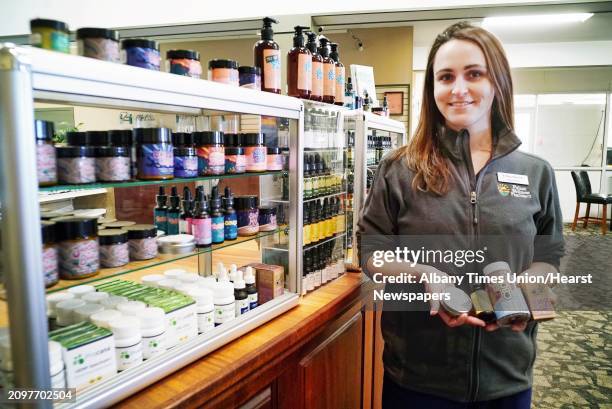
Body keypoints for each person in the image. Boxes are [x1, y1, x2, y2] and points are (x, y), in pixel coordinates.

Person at [358, 22, 564, 408]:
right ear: (431, 88)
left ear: (497, 81)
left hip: (507, 374)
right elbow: (371, 251)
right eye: (445, 77)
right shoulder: (398, 169)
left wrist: (527, 294)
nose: (458, 89)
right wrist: (424, 274)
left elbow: (548, 257)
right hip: (418, 378)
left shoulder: (535, 171)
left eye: (474, 74)